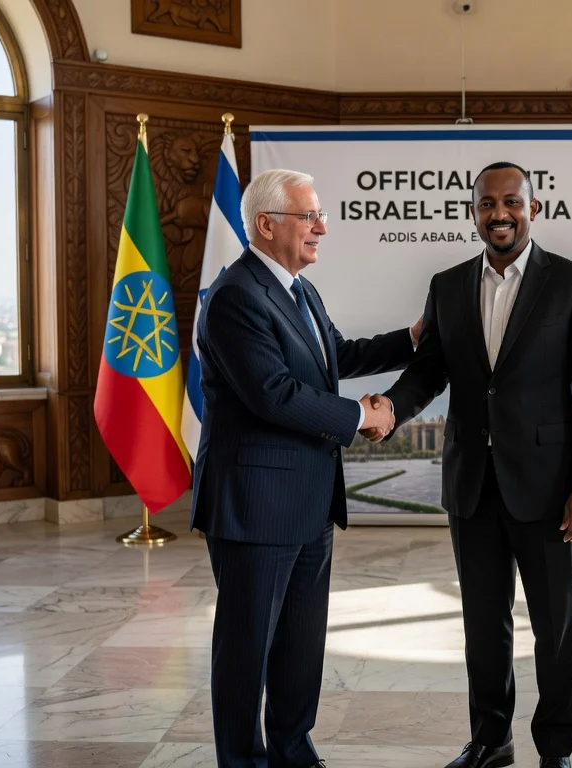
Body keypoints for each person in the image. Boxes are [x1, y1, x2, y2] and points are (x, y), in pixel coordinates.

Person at [367, 162, 572, 768]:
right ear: (473, 211)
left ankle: (555, 750)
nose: (499, 214)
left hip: (550, 490)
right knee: (483, 624)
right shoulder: (448, 284)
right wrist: (391, 408)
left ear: (533, 208)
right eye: (487, 204)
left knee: (555, 627)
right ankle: (490, 740)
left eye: (511, 202)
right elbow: (429, 371)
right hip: (472, 486)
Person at [191, 168, 420, 768]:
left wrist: (413, 338)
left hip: (310, 501)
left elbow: (335, 356)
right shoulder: (235, 296)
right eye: (309, 216)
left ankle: (294, 753)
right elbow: (274, 393)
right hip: (256, 505)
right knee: (246, 653)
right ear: (266, 225)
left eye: (320, 215)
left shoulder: (300, 289)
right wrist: (361, 415)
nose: (321, 227)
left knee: (299, 646)